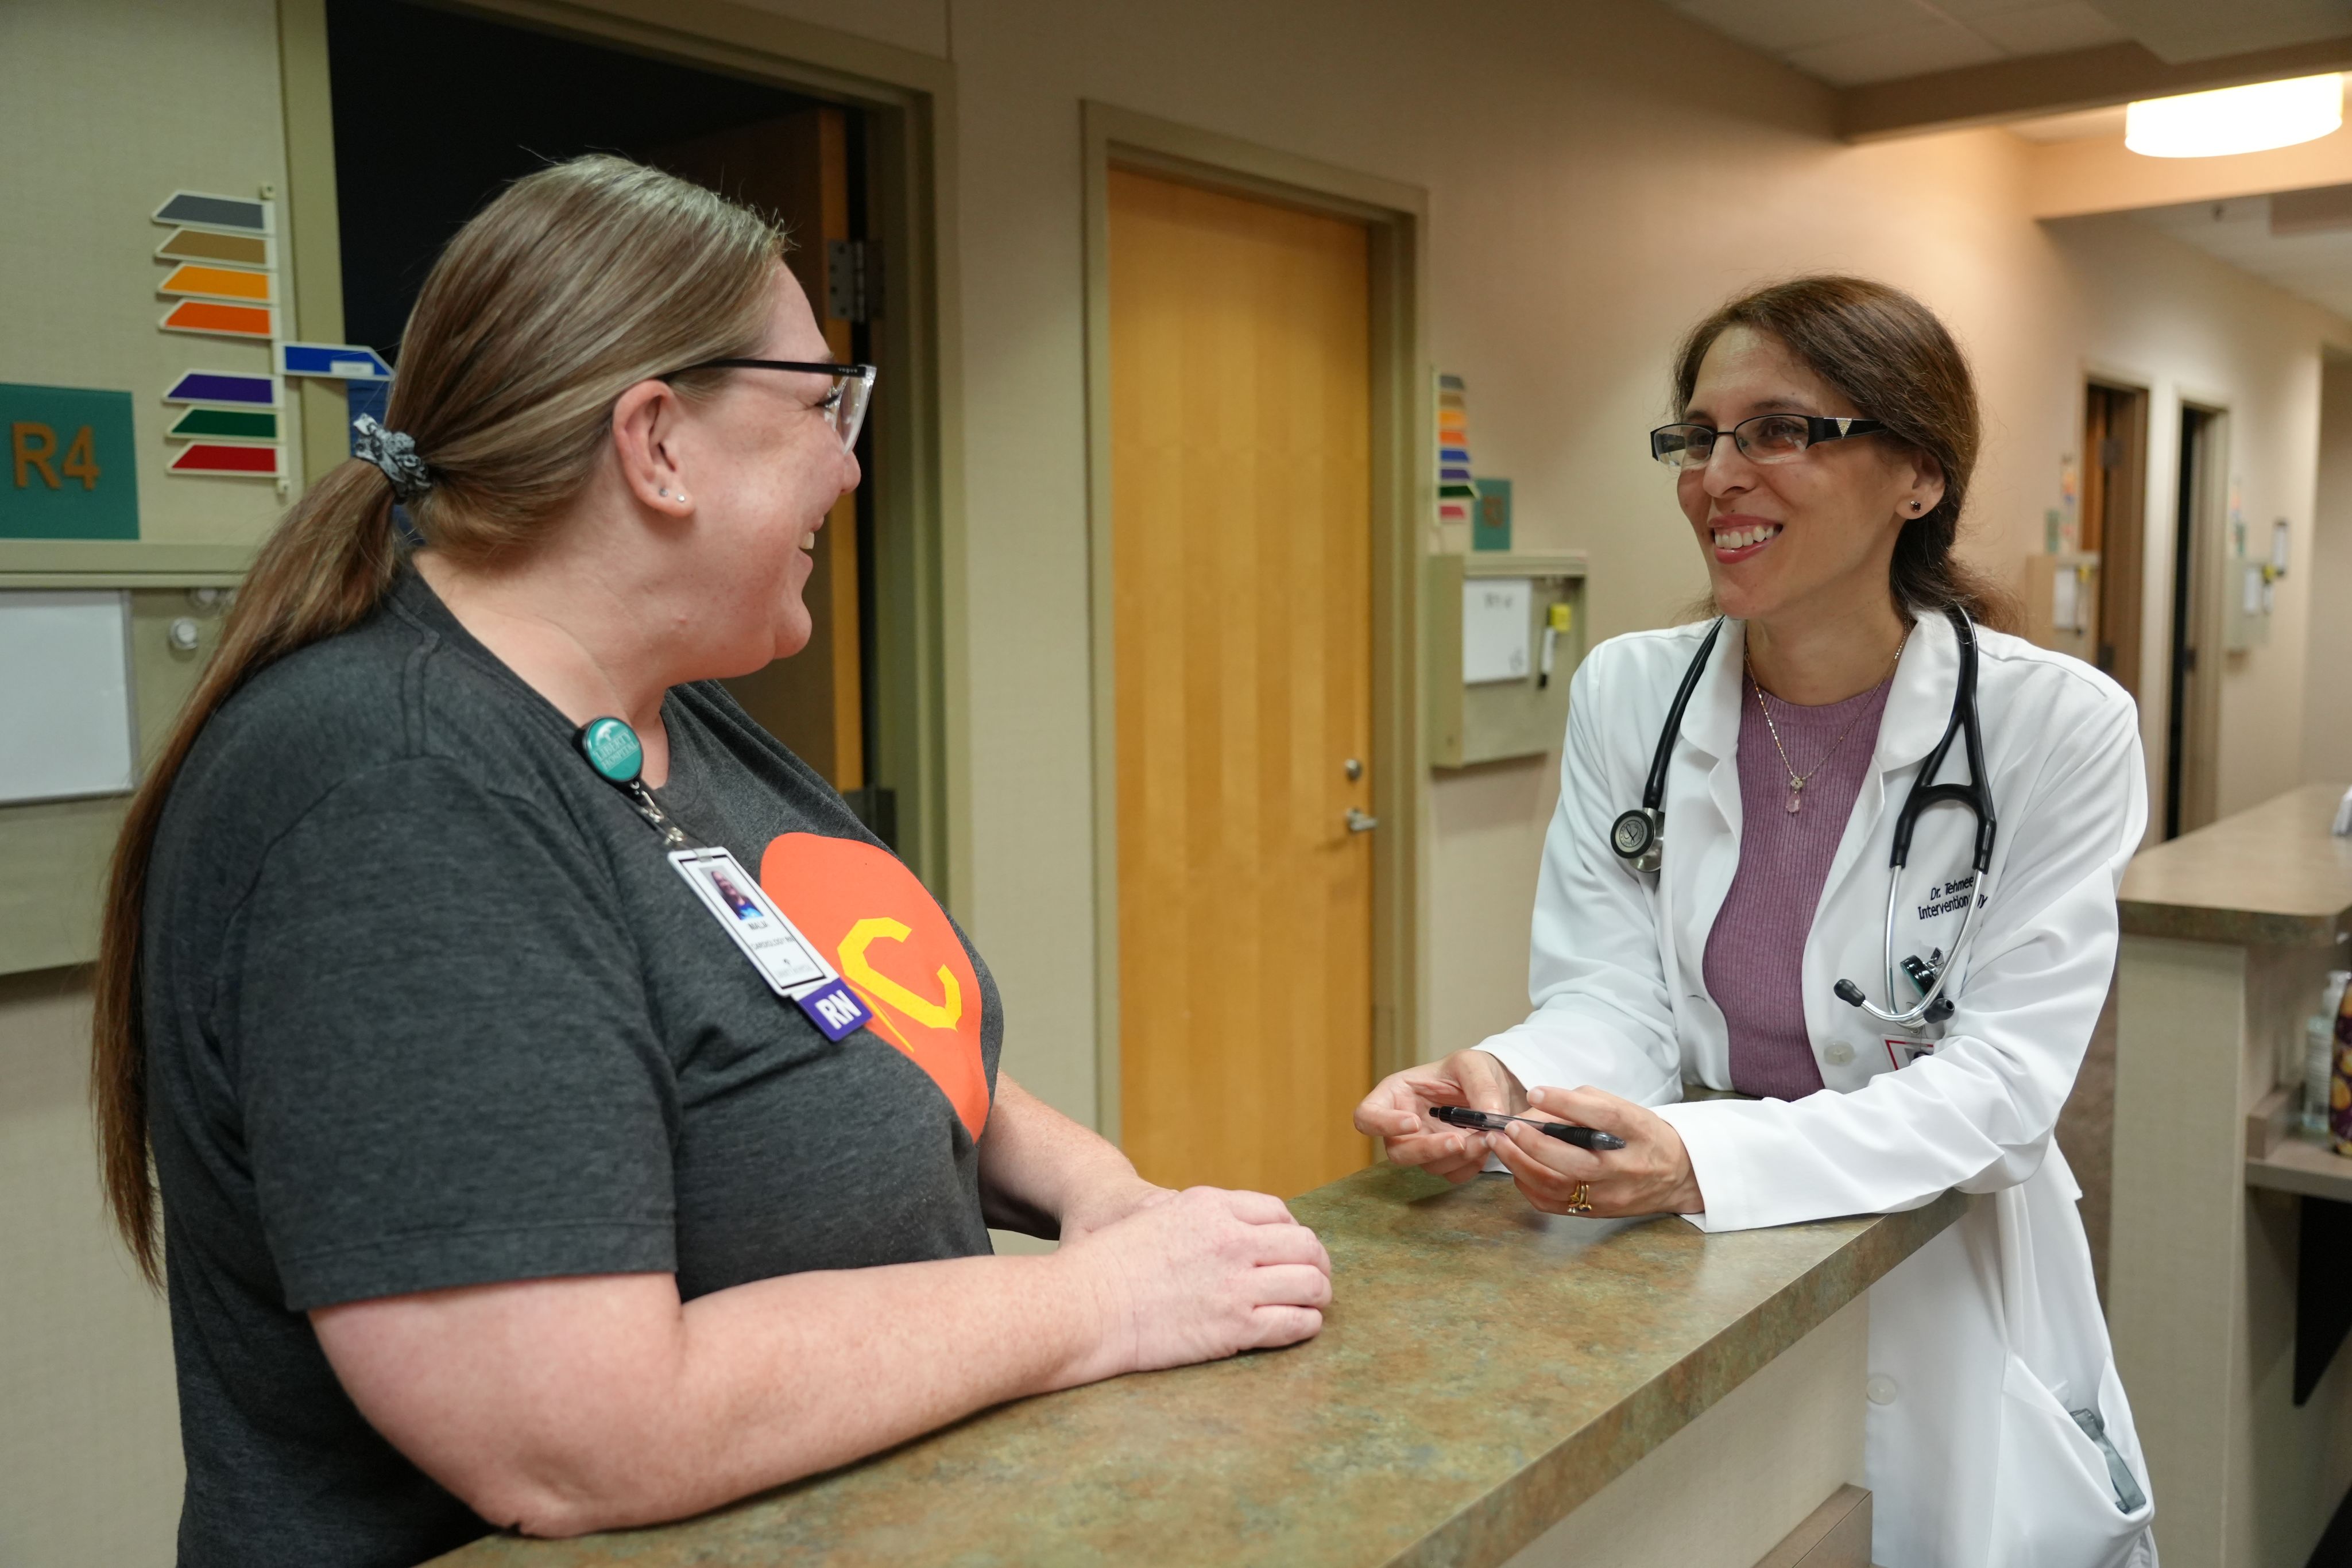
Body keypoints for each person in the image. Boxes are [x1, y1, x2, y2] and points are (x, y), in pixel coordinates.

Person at [92, 156, 1330, 1568]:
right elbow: (573, 1433)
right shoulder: (394, 792)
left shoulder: (658, 718)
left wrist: (1098, 1193)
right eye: (820, 406)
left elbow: (853, 1035)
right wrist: (1099, 1303)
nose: (850, 466)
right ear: (658, 442)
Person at [1356, 277, 2157, 1568]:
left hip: (1931, 1256)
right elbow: (1615, 997)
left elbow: (2002, 1088)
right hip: (1687, 1269)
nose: (1716, 475)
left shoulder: (2052, 727)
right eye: (1697, 436)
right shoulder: (1629, 691)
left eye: (1777, 431)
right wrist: (1503, 1080)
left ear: (1916, 476)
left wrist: (1696, 1160)